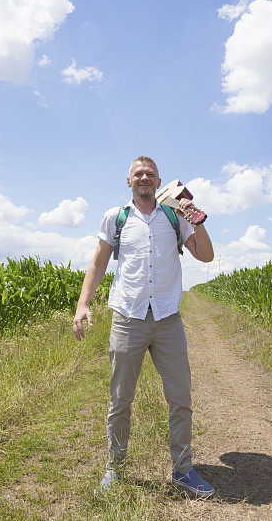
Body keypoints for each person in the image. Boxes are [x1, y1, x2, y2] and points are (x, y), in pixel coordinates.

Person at [73, 156, 215, 498]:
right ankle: (115, 469)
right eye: (139, 174)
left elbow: (206, 256)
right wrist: (82, 304)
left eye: (150, 174)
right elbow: (98, 263)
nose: (145, 178)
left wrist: (195, 218)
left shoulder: (173, 216)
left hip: (167, 319)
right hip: (128, 318)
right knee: (120, 399)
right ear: (129, 181)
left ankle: (183, 470)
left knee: (180, 398)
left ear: (159, 181)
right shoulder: (115, 218)